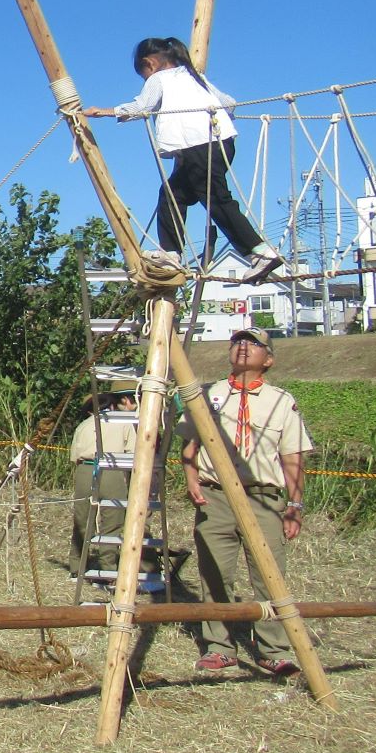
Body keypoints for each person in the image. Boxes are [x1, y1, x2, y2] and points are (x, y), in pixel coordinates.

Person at [84, 37, 283, 283]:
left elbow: (142, 106)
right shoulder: (194, 75)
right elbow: (229, 103)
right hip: (222, 143)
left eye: (144, 75)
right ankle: (171, 253)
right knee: (171, 195)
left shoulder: (159, 79)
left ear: (150, 64)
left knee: (217, 200)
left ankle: (259, 251)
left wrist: (105, 111)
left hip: (198, 147)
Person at [177, 326, 312, 676]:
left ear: (268, 359)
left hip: (262, 498)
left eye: (253, 344)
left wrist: (294, 506)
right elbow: (189, 443)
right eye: (237, 341)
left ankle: (272, 649)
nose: (242, 347)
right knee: (214, 573)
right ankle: (219, 647)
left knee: (269, 575)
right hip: (216, 495)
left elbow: (293, 458)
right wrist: (192, 478)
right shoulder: (207, 395)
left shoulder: (281, 401)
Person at [68, 388, 138, 578]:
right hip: (112, 469)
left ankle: (77, 565)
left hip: (85, 469)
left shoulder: (83, 426)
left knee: (82, 519)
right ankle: (108, 567)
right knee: (112, 521)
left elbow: (74, 457)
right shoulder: (123, 424)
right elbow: (132, 453)